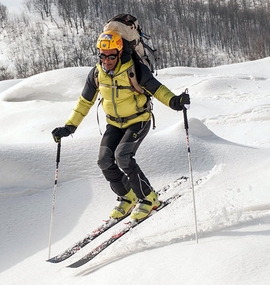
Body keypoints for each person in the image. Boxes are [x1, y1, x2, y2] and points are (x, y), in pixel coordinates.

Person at [52, 30, 190, 221]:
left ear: (119, 52)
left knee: (123, 156)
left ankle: (149, 198)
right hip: (114, 124)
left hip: (138, 120)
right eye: (102, 55)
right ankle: (128, 195)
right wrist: (69, 127)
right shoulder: (96, 74)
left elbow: (157, 89)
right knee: (104, 160)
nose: (106, 60)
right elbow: (84, 102)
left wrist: (175, 101)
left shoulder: (134, 69)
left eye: (111, 56)